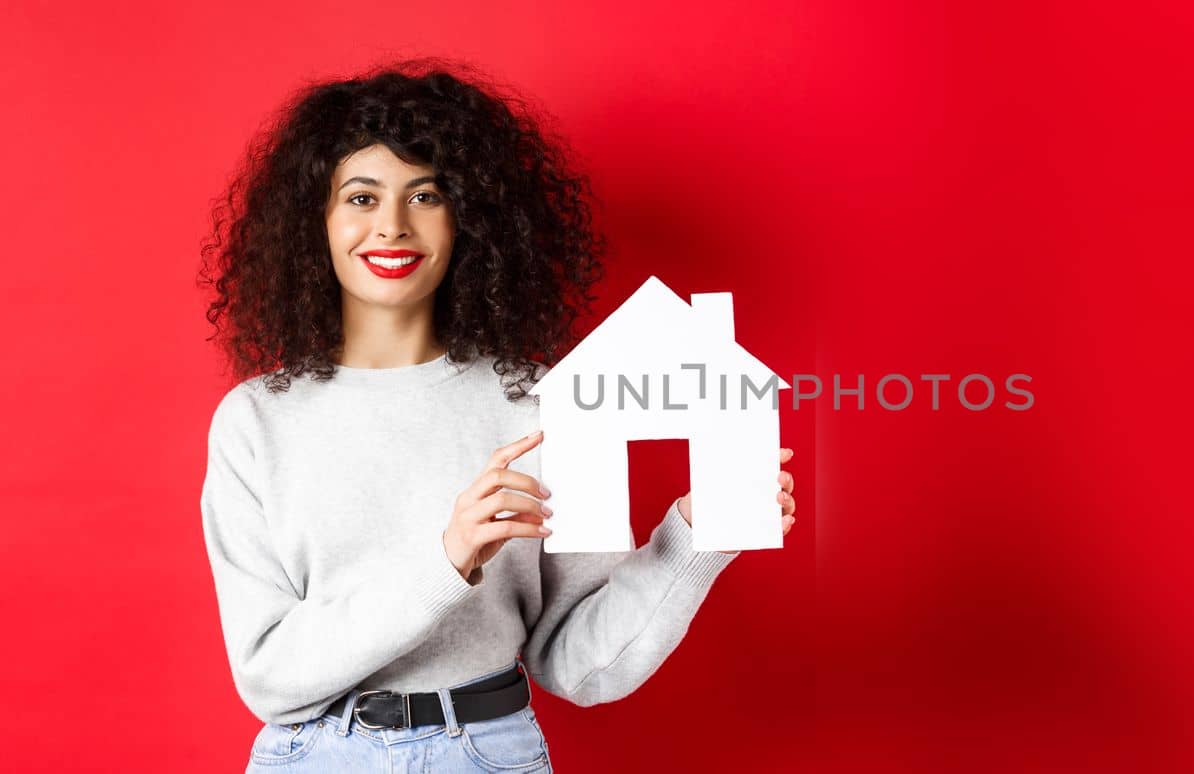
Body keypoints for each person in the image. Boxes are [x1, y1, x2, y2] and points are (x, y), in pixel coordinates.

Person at [195, 58, 799, 773]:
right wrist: (446, 559)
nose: (391, 226)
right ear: (315, 220)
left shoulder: (544, 404)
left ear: (467, 219)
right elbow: (268, 676)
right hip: (313, 755)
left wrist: (694, 538)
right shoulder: (256, 422)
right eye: (361, 197)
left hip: (486, 753)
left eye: (425, 195)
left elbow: (580, 667)